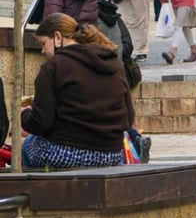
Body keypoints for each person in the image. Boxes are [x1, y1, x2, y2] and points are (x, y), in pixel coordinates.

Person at [25, 13, 133, 169]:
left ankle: (38, 193)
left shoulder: (53, 67)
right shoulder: (113, 63)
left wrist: (25, 114)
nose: (42, 51)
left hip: (67, 152)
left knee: (27, 144)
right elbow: (129, 118)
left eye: (43, 44)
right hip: (113, 154)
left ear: (57, 37)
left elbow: (41, 123)